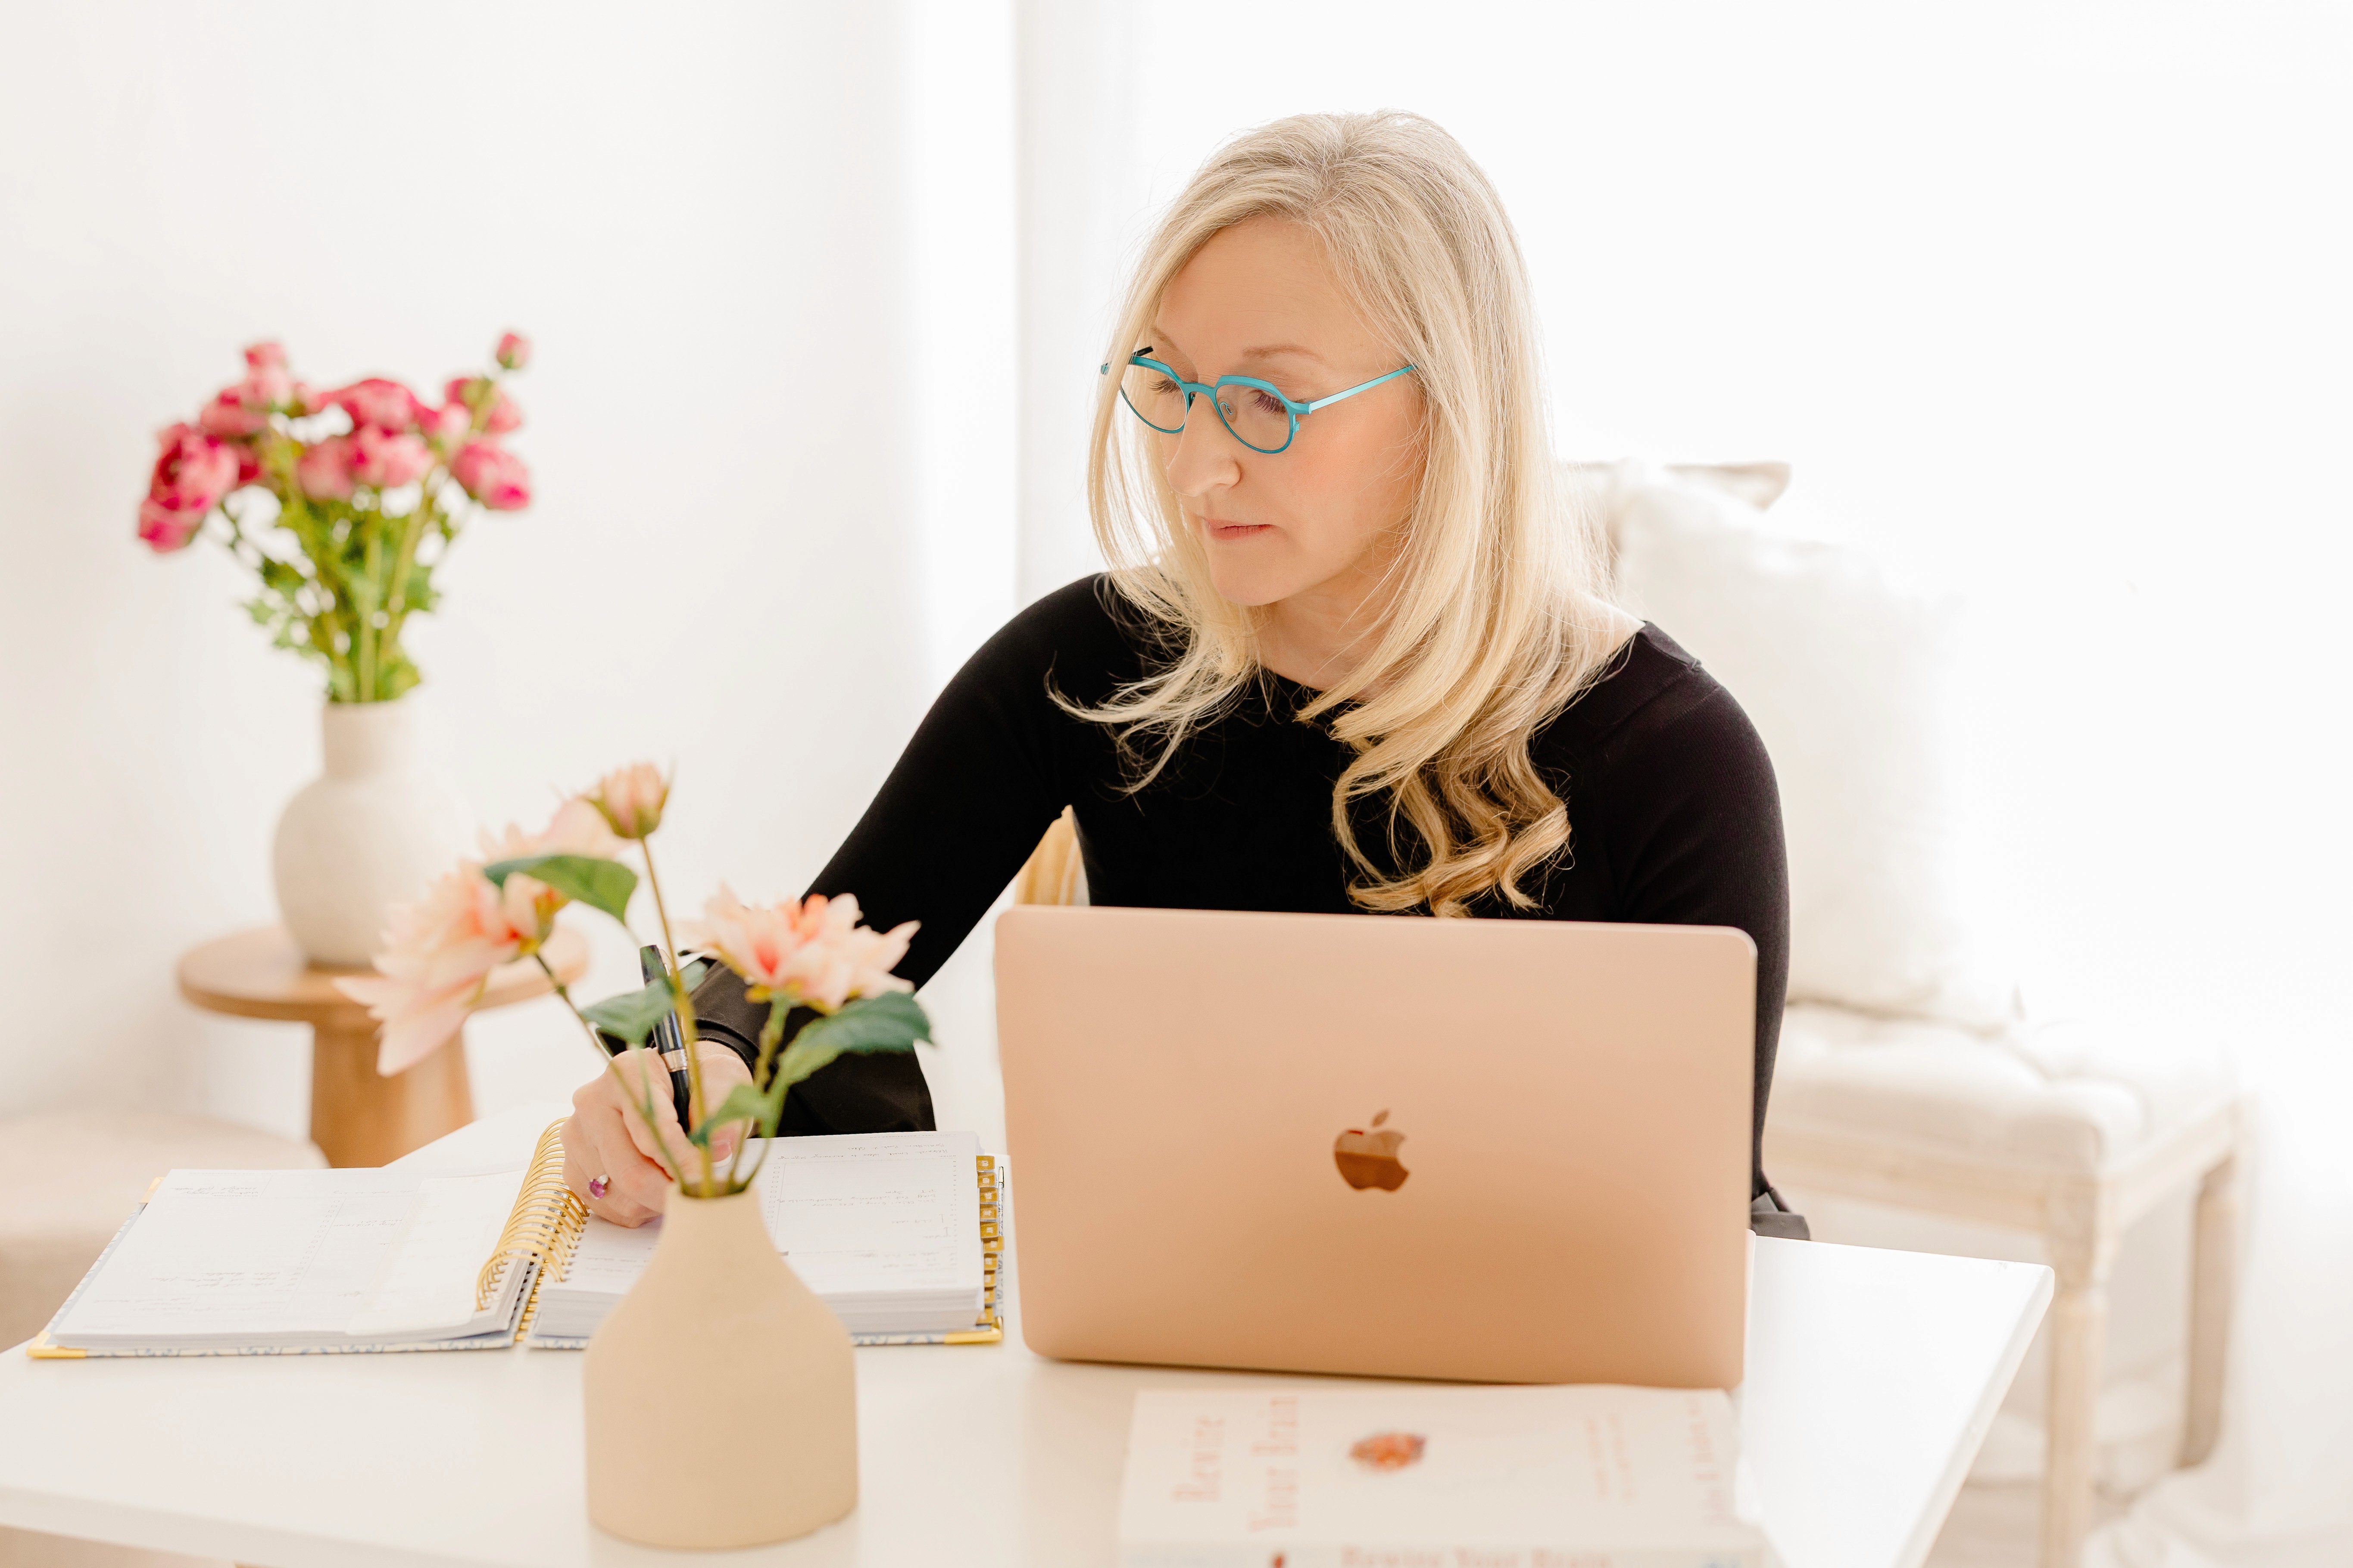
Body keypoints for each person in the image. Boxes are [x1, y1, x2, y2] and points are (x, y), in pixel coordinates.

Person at [562, 110, 1801, 1237]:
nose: (1198, 467)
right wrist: (703, 1058)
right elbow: (811, 964)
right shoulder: (1088, 661)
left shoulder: (1673, 756)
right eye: (1170, 385)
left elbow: (1695, 1222)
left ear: (1445, 411)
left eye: (1269, 402)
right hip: (1184, 1340)